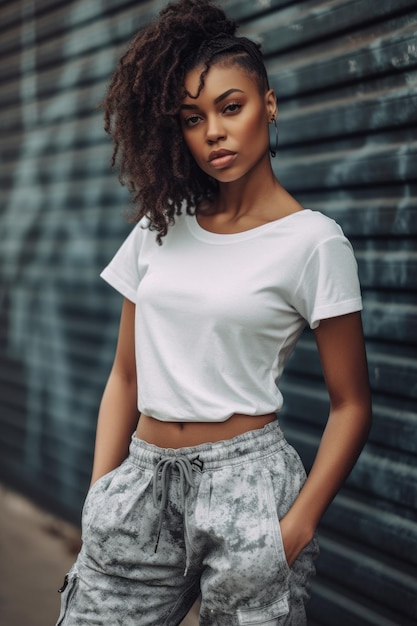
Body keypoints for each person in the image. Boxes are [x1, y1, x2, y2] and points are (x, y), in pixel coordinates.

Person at [56, 0, 372, 624]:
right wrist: (101, 494)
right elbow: (124, 375)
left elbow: (352, 403)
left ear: (270, 104)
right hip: (139, 485)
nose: (214, 133)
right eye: (193, 118)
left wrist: (297, 527)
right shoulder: (159, 227)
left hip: (248, 493)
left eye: (232, 107)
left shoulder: (313, 242)